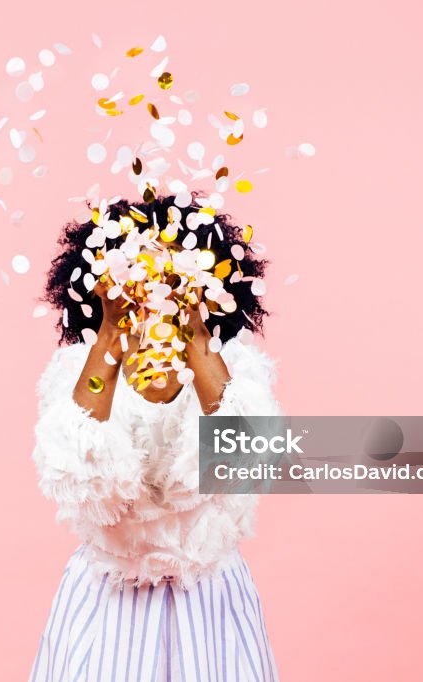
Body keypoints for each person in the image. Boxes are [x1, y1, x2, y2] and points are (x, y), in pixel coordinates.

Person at [30, 194, 284, 681]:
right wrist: (109, 332)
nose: (155, 290)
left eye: (173, 274)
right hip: (108, 607)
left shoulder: (235, 370)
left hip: (211, 604)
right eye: (138, 271)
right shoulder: (78, 374)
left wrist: (194, 330)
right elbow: (83, 485)